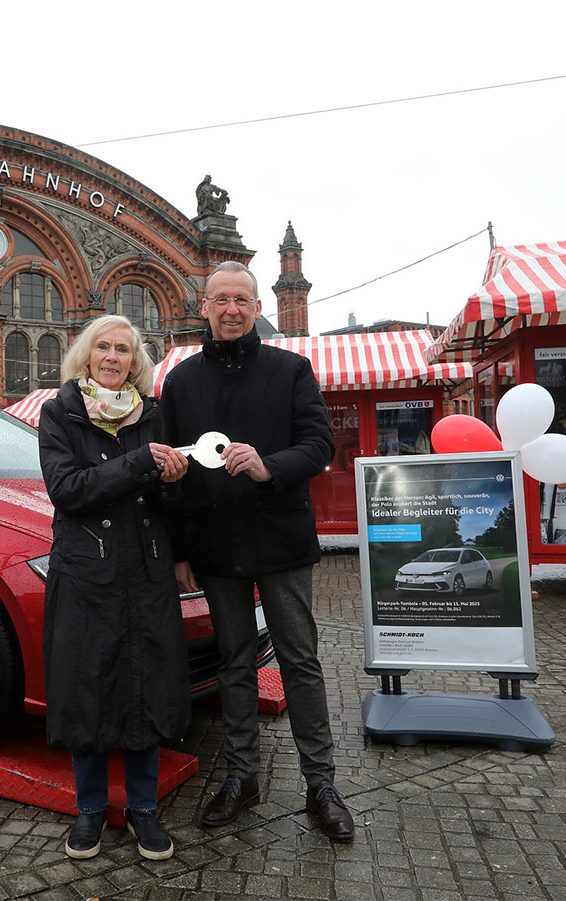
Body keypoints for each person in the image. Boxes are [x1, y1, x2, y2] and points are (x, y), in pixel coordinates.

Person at [159, 260, 355, 841]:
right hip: (213, 544)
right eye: (220, 299)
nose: (231, 310)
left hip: (280, 542)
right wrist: (177, 549)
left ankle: (321, 784)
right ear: (205, 308)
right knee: (235, 664)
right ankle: (242, 778)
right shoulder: (181, 381)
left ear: (257, 307)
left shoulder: (291, 369)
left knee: (300, 662)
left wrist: (271, 467)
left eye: (241, 299)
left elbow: (320, 443)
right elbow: (171, 466)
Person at [37, 314, 191, 861]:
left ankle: (144, 810)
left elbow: (169, 504)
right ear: (85, 355)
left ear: (134, 361)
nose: (112, 356)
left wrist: (173, 483)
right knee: (89, 689)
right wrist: (137, 464)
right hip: (86, 575)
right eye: (102, 347)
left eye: (123, 350)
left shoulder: (153, 414)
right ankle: (91, 810)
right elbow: (67, 491)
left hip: (145, 573)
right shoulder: (59, 412)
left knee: (145, 686)